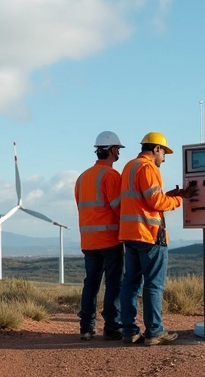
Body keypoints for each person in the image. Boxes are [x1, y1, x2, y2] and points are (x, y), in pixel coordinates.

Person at [118, 132, 196, 345]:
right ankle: (154, 331)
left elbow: (142, 198)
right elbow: (154, 201)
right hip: (150, 234)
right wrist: (179, 199)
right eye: (164, 153)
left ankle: (129, 330)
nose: (164, 158)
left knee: (130, 284)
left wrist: (168, 194)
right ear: (156, 149)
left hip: (130, 233)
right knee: (153, 285)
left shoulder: (129, 167)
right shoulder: (148, 167)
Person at [74, 131, 125, 341]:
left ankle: (86, 327)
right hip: (109, 239)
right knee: (113, 284)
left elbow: (82, 206)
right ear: (112, 151)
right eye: (118, 150)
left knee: (91, 284)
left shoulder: (82, 177)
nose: (119, 153)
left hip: (88, 240)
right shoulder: (111, 176)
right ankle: (112, 326)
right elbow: (118, 207)